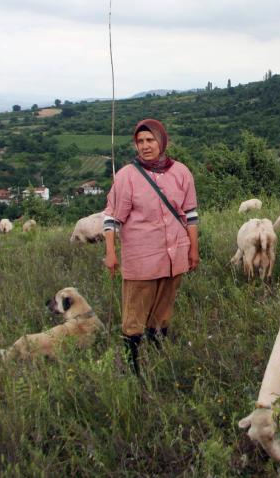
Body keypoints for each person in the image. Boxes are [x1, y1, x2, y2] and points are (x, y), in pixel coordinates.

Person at [103, 119, 199, 374]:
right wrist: (111, 253)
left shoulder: (180, 172)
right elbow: (112, 218)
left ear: (162, 141)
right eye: (140, 141)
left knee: (163, 311)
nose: (145, 146)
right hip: (141, 259)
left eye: (150, 140)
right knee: (134, 316)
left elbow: (190, 214)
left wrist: (193, 249)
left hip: (174, 255)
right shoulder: (127, 176)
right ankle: (133, 369)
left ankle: (158, 359)